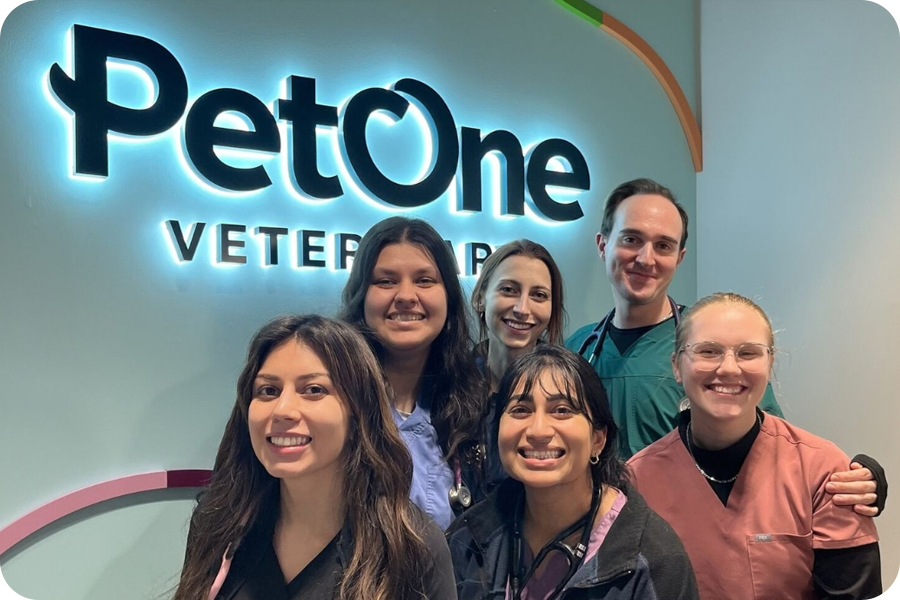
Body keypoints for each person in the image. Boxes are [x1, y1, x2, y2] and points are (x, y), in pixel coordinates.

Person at [566, 178, 886, 514]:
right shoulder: (576, 350)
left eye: (663, 245)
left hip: (689, 533)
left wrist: (852, 481)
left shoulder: (713, 345)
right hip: (593, 534)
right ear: (603, 245)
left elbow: (772, 451)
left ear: (679, 257)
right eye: (631, 239)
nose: (646, 258)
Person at [172, 315, 456, 600]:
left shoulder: (412, 544)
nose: (282, 410)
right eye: (268, 391)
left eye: (313, 390)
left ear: (358, 412)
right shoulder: (219, 521)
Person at [628, 293, 882, 599]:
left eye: (748, 353)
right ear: (677, 366)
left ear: (770, 364)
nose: (729, 368)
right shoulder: (639, 480)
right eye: (708, 351)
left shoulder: (824, 473)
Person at [447, 345, 699, 600]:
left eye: (562, 410)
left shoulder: (655, 561)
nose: (538, 431)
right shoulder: (467, 539)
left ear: (598, 439)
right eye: (520, 410)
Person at [338, 216, 482, 530]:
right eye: (386, 281)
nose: (405, 295)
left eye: (424, 280)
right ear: (362, 295)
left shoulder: (472, 408)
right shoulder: (329, 398)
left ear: (449, 296)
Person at [469, 239, 566, 490]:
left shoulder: (569, 392)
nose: (522, 309)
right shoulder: (449, 388)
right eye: (509, 290)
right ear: (481, 298)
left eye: (539, 295)